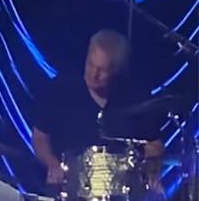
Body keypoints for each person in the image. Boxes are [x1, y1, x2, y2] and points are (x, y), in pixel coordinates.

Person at [31, 29, 164, 188]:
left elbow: (154, 145)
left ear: (118, 71)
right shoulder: (61, 88)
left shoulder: (136, 97)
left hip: (121, 193)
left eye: (103, 70)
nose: (93, 74)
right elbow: (40, 137)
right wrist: (52, 164)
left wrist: (151, 172)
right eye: (90, 64)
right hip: (68, 188)